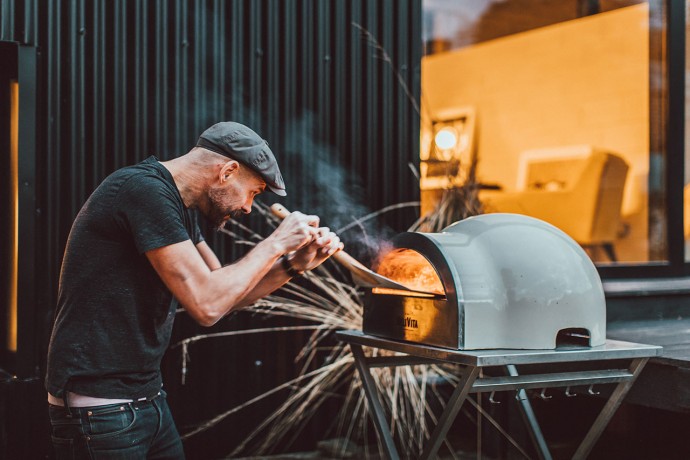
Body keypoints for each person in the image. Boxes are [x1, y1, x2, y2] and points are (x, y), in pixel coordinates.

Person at [45, 121, 342, 459]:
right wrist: (276, 243)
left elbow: (222, 291)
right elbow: (206, 304)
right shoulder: (141, 190)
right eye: (254, 192)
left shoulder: (178, 208)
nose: (247, 207)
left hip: (148, 398)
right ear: (227, 171)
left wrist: (293, 265)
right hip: (100, 410)